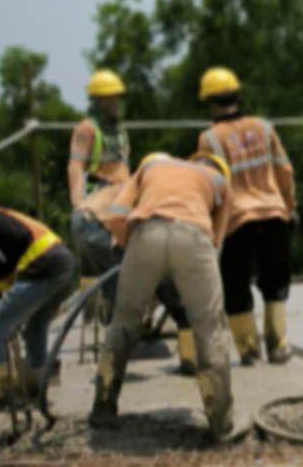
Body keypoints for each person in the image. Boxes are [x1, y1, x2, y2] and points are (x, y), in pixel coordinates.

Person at [90, 152, 235, 440]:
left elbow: (116, 215)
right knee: (210, 327)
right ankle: (221, 424)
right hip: (195, 237)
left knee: (123, 323)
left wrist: (135, 251)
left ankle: (103, 410)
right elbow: (216, 242)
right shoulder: (220, 182)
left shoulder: (151, 164)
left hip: (146, 232)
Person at [195, 67, 297, 366]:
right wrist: (289, 207)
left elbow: (209, 186)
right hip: (274, 213)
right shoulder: (264, 127)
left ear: (210, 102)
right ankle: (278, 345)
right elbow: (284, 170)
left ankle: (249, 351)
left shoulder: (210, 139)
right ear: (237, 95)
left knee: (235, 286)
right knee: (276, 281)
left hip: (237, 221)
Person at [68, 181, 198, 373]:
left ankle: (114, 350)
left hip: (85, 222)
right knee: (136, 277)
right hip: (96, 224)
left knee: (121, 277)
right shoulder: (155, 194)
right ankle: (188, 358)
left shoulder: (145, 184)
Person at [0, 206, 76, 408]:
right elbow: (6, 262)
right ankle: (38, 388)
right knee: (35, 328)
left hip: (43, 267)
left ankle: (7, 399)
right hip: (63, 263)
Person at [68, 69, 132, 211]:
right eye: (110, 97)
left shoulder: (120, 130)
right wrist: (77, 203)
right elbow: (76, 166)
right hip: (97, 197)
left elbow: (124, 165)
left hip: (121, 196)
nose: (116, 102)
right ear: (99, 100)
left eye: (117, 97)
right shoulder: (86, 128)